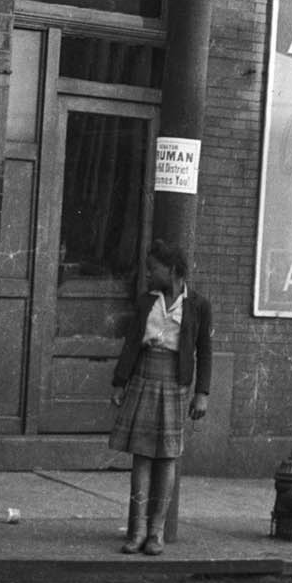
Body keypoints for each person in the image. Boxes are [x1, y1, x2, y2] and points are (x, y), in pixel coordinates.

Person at [109, 237, 213, 556]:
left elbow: (204, 352)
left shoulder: (198, 305)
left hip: (175, 384)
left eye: (154, 269)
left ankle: (156, 533)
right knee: (142, 455)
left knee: (167, 457)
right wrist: (120, 381)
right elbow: (130, 345)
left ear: (172, 270)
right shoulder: (145, 302)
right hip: (144, 378)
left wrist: (202, 394)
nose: (149, 274)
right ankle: (137, 530)